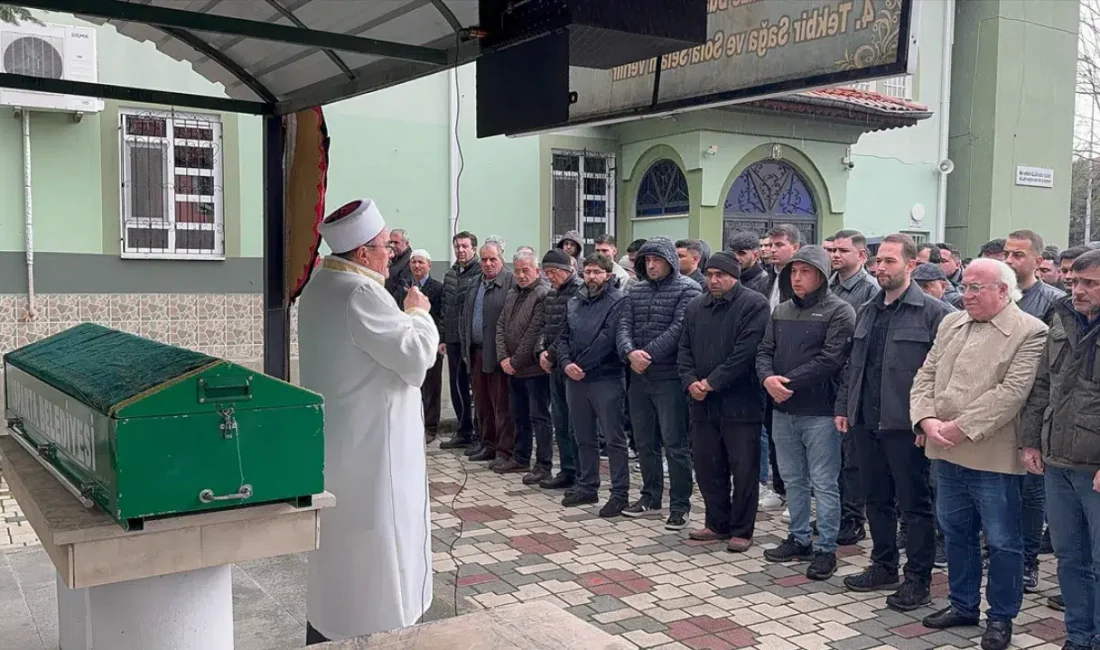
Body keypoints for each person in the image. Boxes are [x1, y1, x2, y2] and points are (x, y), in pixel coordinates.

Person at [298, 199, 438, 644]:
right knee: (379, 553)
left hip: (342, 447)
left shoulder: (321, 285)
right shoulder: (361, 293)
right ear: (361, 254)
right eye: (384, 248)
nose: (390, 255)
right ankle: (380, 634)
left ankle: (331, 626)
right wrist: (418, 312)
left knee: (341, 553)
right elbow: (417, 357)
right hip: (375, 452)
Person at [910, 258, 1047, 650]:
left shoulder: (1030, 331)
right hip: (946, 449)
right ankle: (963, 604)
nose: (964, 294)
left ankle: (1001, 617)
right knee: (956, 532)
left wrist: (957, 427)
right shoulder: (951, 323)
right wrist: (925, 419)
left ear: (1003, 291)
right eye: (964, 286)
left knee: (1003, 541)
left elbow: (1010, 394)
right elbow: (926, 374)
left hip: (992, 456)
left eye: (975, 288)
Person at [835, 234, 951, 611]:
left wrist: (927, 421)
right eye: (877, 262)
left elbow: (943, 377)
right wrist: (844, 408)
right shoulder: (869, 309)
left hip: (908, 428)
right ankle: (883, 565)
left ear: (911, 266)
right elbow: (854, 365)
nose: (880, 268)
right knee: (876, 500)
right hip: (866, 422)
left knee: (915, 507)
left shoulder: (935, 314)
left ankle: (917, 580)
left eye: (889, 261)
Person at [756, 245, 855, 580]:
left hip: (820, 413)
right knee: (794, 479)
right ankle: (799, 538)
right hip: (783, 410)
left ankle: (826, 548)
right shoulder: (781, 310)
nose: (797, 278)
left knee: (825, 483)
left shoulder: (840, 311)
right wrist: (767, 379)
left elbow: (831, 359)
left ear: (822, 276)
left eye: (806, 272)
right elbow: (764, 350)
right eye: (793, 273)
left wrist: (785, 382)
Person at [1021, 249, 1100, 650]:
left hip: (1095, 466)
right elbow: (1042, 384)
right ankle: (1079, 637)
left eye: (1089, 283)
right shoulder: (1061, 316)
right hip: (1057, 459)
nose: (1077, 290)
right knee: (1071, 558)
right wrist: (1031, 440)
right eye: (1073, 282)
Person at [678, 251, 769, 552]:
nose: (714, 280)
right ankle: (717, 522)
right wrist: (691, 380)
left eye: (721, 275)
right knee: (707, 465)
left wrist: (712, 382)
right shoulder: (695, 307)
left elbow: (745, 353)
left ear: (735, 276)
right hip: (701, 402)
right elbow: (684, 349)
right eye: (710, 275)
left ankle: (742, 529)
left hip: (740, 402)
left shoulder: (754, 305)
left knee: (743, 468)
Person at [617, 236, 702, 529]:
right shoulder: (635, 291)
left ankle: (680, 505)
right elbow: (623, 325)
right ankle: (650, 497)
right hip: (639, 377)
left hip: (669, 377)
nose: (652, 266)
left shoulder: (688, 289)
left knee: (674, 443)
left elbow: (680, 328)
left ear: (670, 262)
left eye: (657, 261)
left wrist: (648, 354)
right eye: (647, 261)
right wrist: (629, 352)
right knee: (644, 442)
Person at [1003, 229, 1066, 593]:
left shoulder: (1052, 303)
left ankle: (1028, 561)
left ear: (1039, 261)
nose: (1010, 261)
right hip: (998, 416)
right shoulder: (998, 295)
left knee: (1030, 494)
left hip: (1033, 415)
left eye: (1019, 255)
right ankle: (1003, 552)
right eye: (1008, 254)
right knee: (1000, 491)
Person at [557, 253, 629, 516]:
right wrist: (566, 363)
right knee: (582, 435)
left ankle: (620, 492)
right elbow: (562, 336)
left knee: (613, 438)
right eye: (587, 272)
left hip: (605, 377)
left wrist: (581, 366)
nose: (591, 277)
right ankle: (588, 485)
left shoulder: (619, 301)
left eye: (597, 272)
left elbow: (608, 338)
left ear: (608, 275)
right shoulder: (575, 300)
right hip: (575, 378)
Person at [827, 229, 878, 547]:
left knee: (852, 458)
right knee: (832, 455)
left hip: (853, 380)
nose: (834, 255)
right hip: (828, 379)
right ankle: (837, 512)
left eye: (842, 250)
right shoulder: (829, 285)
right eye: (832, 249)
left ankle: (853, 518)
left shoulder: (869, 291)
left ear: (861, 256)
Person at [495, 249, 553, 481]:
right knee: (519, 415)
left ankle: (544, 464)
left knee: (540, 417)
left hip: (534, 370)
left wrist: (515, 361)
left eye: (525, 270)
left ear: (537, 271)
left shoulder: (543, 294)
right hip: (513, 369)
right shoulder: (512, 294)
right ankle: (520, 457)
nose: (520, 275)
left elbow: (534, 333)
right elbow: (501, 326)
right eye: (517, 270)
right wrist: (503, 358)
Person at [461, 240, 517, 465]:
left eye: (493, 259)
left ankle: (505, 450)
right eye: (484, 259)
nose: (488, 263)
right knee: (482, 403)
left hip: (498, 353)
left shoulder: (510, 282)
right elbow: (465, 316)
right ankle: (488, 444)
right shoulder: (476, 282)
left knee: (501, 405)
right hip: (476, 352)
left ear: (502, 260)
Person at [537, 249, 585, 489]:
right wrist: (542, 352)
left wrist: (551, 353)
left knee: (575, 424)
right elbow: (545, 327)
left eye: (553, 272)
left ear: (567, 270)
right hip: (553, 365)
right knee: (560, 421)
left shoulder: (579, 292)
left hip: (570, 364)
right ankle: (566, 470)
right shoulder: (552, 294)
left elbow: (570, 330)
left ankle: (580, 473)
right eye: (546, 273)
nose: (550, 277)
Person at [439, 232, 481, 451]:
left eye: (465, 246)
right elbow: (446, 308)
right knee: (457, 387)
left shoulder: (480, 273)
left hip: (472, 342)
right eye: (457, 247)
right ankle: (463, 430)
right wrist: (444, 337)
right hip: (454, 340)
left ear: (474, 248)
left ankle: (479, 434)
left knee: (476, 389)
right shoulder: (450, 275)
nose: (460, 250)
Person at [410, 249, 444, 443]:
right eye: (414, 262)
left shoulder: (437, 288)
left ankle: (431, 427)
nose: (417, 266)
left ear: (429, 265)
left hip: (431, 343)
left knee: (432, 387)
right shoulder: (406, 287)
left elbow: (440, 316)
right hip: (411, 343)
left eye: (421, 262)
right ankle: (415, 423)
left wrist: (439, 340)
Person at [726, 230, 771, 296]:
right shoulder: (730, 277)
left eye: (741, 253)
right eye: (733, 253)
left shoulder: (764, 282)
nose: (736, 257)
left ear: (755, 256)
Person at [384, 229, 414, 306]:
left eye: (396, 243)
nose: (392, 245)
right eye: (391, 242)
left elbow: (402, 290)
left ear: (406, 243)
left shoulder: (410, 261)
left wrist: (389, 305)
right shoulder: (392, 258)